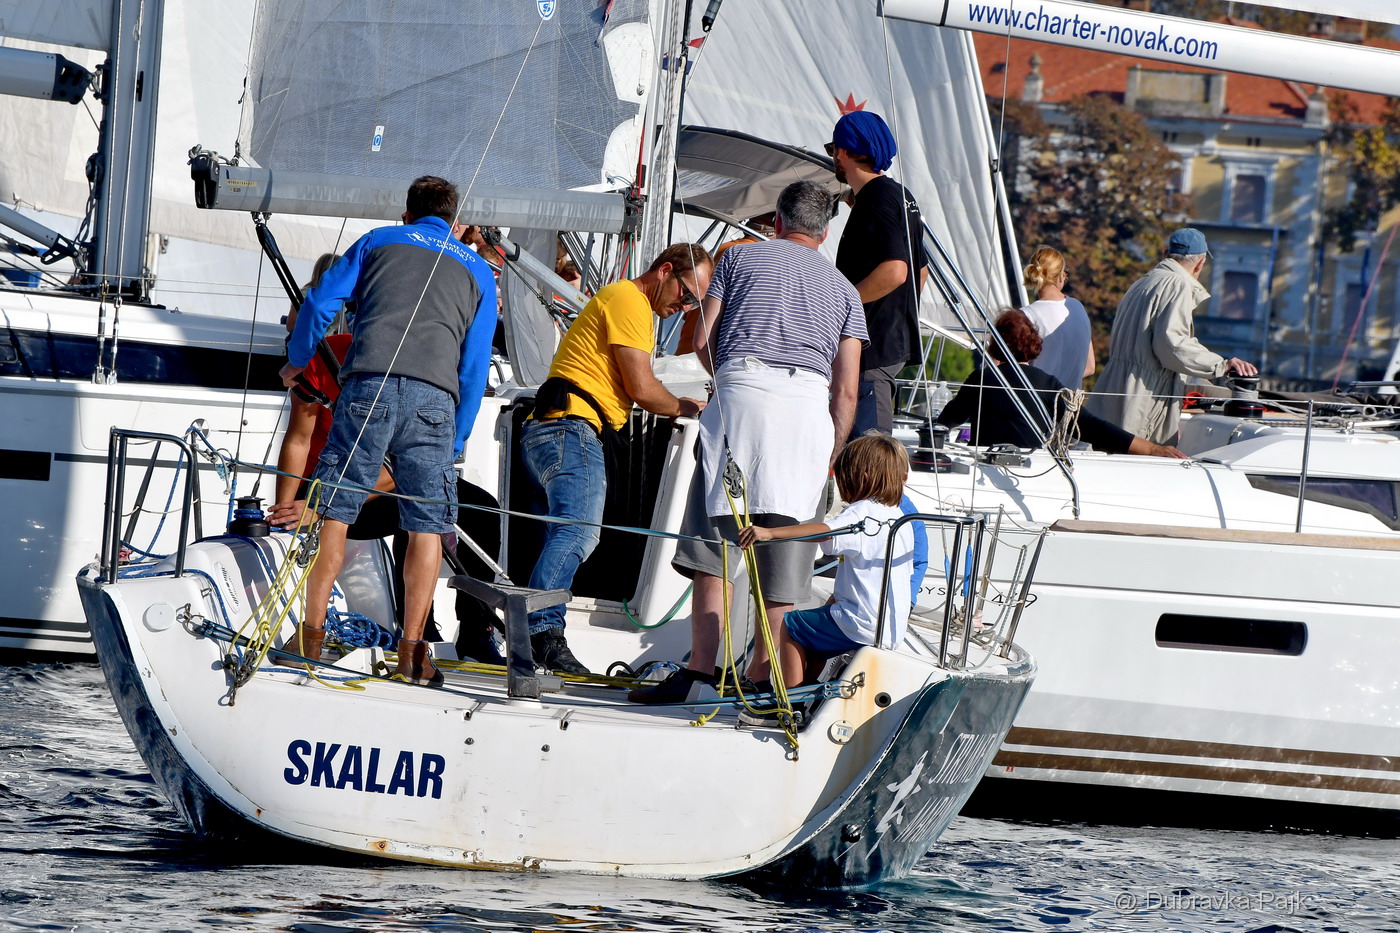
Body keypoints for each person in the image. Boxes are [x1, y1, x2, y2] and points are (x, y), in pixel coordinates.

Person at [631, 180, 867, 704]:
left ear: (778, 221)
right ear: (825, 232)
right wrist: (830, 454)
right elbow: (847, 389)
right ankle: (763, 678)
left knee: (715, 546)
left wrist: (729, 381)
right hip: (806, 415)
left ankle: (699, 673)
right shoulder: (846, 291)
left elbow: (701, 340)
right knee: (782, 553)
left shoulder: (737, 259)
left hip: (739, 400)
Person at [278, 175, 498, 685]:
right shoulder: (478, 271)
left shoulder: (378, 240)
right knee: (426, 526)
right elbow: (474, 366)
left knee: (335, 512)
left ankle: (311, 639)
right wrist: (457, 438)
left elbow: (319, 304)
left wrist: (298, 359)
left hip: (368, 385)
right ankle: (413, 655)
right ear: (456, 222)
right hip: (435, 400)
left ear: (407, 214)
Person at [521, 243, 712, 675]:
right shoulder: (630, 300)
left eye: (694, 304)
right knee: (578, 531)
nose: (684, 308)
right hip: (571, 428)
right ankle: (541, 632)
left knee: (558, 534)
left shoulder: (624, 300)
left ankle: (528, 626)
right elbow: (642, 389)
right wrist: (686, 406)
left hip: (556, 427)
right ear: (665, 270)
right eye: (685, 294)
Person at [738, 434, 917, 690]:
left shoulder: (863, 512)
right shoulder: (900, 520)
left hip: (860, 624)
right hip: (890, 630)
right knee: (815, 631)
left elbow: (825, 531)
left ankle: (790, 699)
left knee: (792, 625)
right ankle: (807, 689)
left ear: (862, 479)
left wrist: (770, 533)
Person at [937, 309, 1186, 459]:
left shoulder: (981, 379)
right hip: (1031, 466)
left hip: (983, 464)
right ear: (1034, 346)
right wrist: (1152, 449)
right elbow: (1090, 427)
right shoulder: (1048, 384)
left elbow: (947, 421)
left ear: (996, 344)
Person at [1086, 228, 1258, 444]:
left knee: (1111, 451)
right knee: (1139, 457)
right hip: (1145, 394)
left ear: (1166, 253)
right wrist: (1221, 365)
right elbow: (1172, 345)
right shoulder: (1177, 284)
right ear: (1200, 263)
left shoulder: (1143, 281)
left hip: (1116, 388)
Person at [830, 110, 929, 438]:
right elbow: (920, 271)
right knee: (864, 452)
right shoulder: (901, 195)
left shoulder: (877, 198)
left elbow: (897, 271)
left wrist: (841, 305)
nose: (833, 156)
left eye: (833, 148)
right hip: (888, 343)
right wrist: (897, 314)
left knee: (868, 454)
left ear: (844, 151)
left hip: (872, 349)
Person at [1021, 246, 1094, 388]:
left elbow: (1009, 368)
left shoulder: (1025, 315)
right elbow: (1090, 367)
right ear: (1061, 275)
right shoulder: (1078, 308)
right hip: (1070, 399)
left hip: (1038, 398)